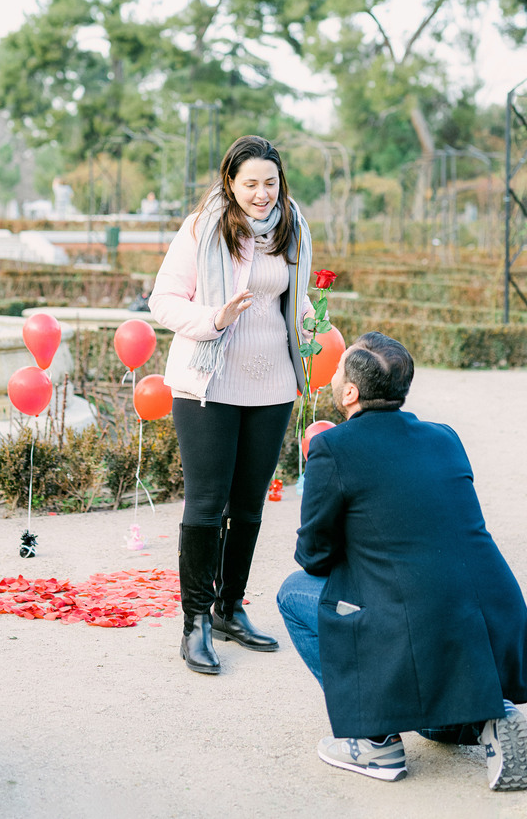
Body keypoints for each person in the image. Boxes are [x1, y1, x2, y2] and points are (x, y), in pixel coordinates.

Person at [277, 332, 527, 789]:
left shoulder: (333, 448)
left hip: (415, 624)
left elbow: (314, 557)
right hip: (488, 617)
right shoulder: (444, 438)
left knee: (293, 592)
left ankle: (374, 739)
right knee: (431, 725)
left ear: (350, 392)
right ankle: (489, 715)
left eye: (340, 365)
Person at [149, 136, 312, 675]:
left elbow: (293, 295)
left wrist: (310, 321)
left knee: (248, 505)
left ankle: (229, 608)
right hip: (208, 381)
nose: (262, 194)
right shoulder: (203, 228)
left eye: (270, 183)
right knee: (205, 504)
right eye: (251, 184)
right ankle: (194, 620)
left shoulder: (293, 228)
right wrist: (215, 318)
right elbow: (164, 299)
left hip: (271, 386)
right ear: (230, 184)